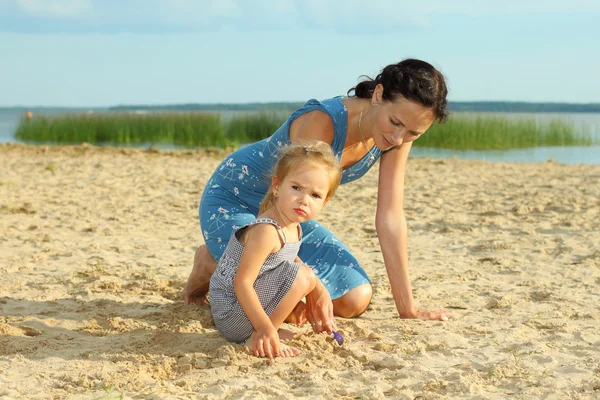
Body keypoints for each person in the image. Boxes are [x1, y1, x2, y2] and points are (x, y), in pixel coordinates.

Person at [183, 58, 454, 332]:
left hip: (293, 212)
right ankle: (212, 262)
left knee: (353, 299)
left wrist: (408, 309)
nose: (398, 137)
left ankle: (218, 258)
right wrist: (311, 284)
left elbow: (390, 216)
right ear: (379, 94)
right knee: (278, 297)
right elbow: (274, 205)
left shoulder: (397, 137)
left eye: (413, 133)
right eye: (395, 122)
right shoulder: (322, 121)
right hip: (238, 199)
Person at [209, 141, 342, 359]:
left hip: (245, 310)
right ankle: (261, 334)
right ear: (277, 186)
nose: (303, 200)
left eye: (315, 195)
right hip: (232, 311)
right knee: (302, 276)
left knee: (306, 275)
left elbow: (287, 257)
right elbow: (241, 283)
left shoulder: (294, 227)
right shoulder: (267, 231)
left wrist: (317, 288)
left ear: (325, 201)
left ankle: (267, 329)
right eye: (296, 188)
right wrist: (264, 327)